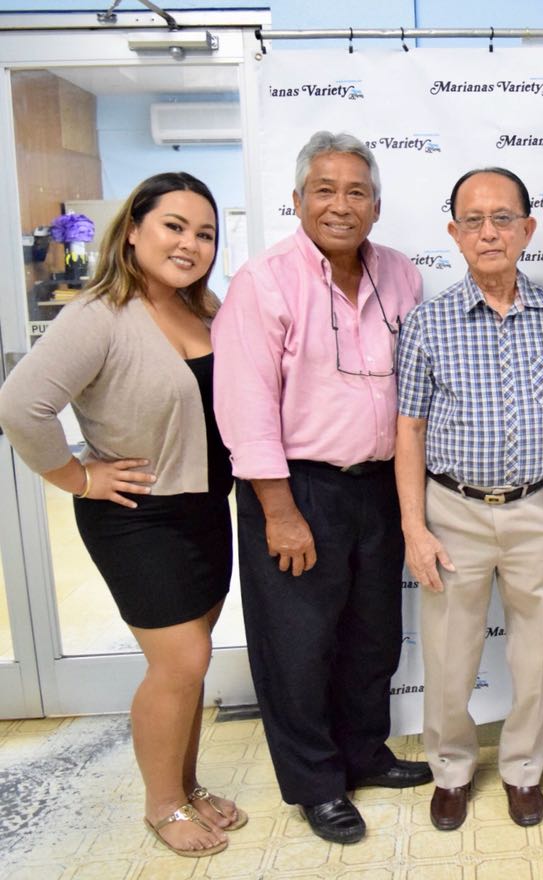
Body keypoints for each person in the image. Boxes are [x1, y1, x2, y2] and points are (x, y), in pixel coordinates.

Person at [0, 173, 242, 857]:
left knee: (188, 666)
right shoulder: (98, 314)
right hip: (138, 515)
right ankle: (163, 806)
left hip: (201, 508)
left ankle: (188, 786)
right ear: (132, 228)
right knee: (181, 661)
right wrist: (75, 474)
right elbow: (19, 406)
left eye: (205, 233)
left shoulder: (204, 308)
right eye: (174, 226)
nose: (190, 244)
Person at [211, 131, 429, 844]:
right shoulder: (265, 281)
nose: (341, 205)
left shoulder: (400, 274)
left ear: (376, 205)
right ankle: (316, 783)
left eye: (357, 191)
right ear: (298, 199)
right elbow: (245, 406)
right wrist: (278, 510)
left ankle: (364, 754)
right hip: (297, 490)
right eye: (325, 190)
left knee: (372, 638)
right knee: (299, 646)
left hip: (380, 486)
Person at [394, 167, 543, 831]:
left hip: (539, 509)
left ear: (528, 229)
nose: (488, 232)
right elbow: (409, 429)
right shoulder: (427, 322)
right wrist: (415, 528)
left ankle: (523, 770)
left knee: (535, 654)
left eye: (503, 218)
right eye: (472, 220)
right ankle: (450, 769)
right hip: (454, 513)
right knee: (449, 656)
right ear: (453, 233)